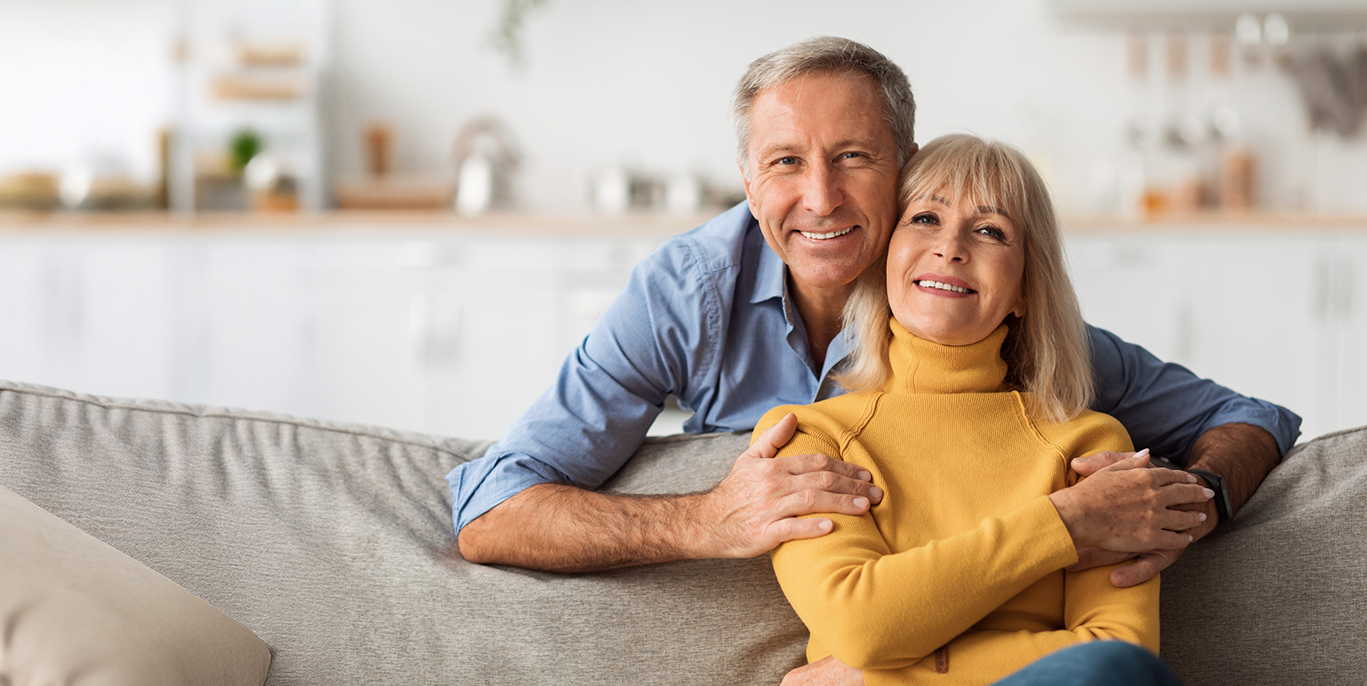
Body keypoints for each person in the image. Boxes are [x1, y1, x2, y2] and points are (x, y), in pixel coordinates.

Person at [448, 35, 1297, 601]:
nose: (820, 199)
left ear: (906, 166)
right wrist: (707, 518)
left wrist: (1189, 502)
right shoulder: (686, 293)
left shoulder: (973, 305)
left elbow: (1249, 417)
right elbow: (492, 506)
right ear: (748, 183)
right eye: (786, 163)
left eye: (854, 157)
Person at [757, 133, 1189, 686]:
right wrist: (1065, 522)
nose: (951, 247)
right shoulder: (809, 438)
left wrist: (870, 675)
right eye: (925, 219)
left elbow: (1117, 657)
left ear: (1024, 290)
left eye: (990, 231)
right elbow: (863, 625)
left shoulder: (1089, 442)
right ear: (887, 254)